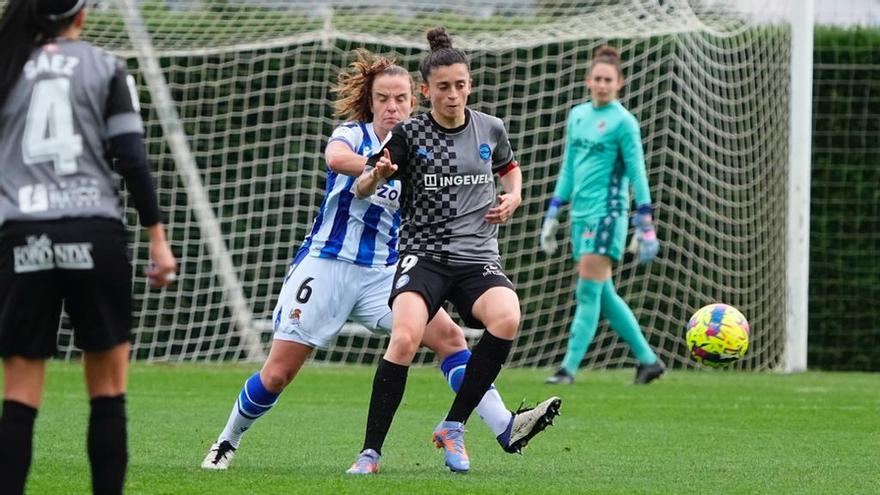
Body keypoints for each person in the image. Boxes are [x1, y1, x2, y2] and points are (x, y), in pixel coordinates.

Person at [201, 49, 560, 473]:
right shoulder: (355, 136)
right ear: (370, 103)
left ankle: (505, 426)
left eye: (401, 99)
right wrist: (379, 167)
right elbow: (335, 159)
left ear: (415, 101)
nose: (393, 107)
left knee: (450, 340)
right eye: (384, 99)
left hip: (385, 272)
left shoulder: (424, 141)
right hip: (327, 265)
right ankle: (228, 440)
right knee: (277, 374)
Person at [347, 27, 556, 475]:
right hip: (423, 255)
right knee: (403, 338)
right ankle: (370, 454)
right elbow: (363, 187)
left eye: (461, 85)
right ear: (426, 91)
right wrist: (376, 175)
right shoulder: (408, 134)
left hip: (476, 257)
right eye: (443, 87)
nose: (453, 94)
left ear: (470, 85)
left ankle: (454, 425)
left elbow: (510, 170)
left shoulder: (490, 128)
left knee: (507, 317)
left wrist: (513, 196)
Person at [0, 1, 177, 494]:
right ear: (80, 16)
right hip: (94, 233)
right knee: (107, 391)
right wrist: (158, 241)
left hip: (23, 233)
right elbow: (133, 159)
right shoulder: (105, 67)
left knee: (17, 397)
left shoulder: (7, 64)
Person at [539, 45, 664, 386]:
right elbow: (568, 167)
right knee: (602, 291)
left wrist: (645, 220)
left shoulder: (624, 122)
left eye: (609, 79)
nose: (603, 84)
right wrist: (553, 210)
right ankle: (648, 361)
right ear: (588, 80)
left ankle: (568, 369)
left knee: (588, 291)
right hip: (579, 216)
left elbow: (637, 172)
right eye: (597, 78)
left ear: (619, 83)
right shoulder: (578, 116)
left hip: (608, 215)